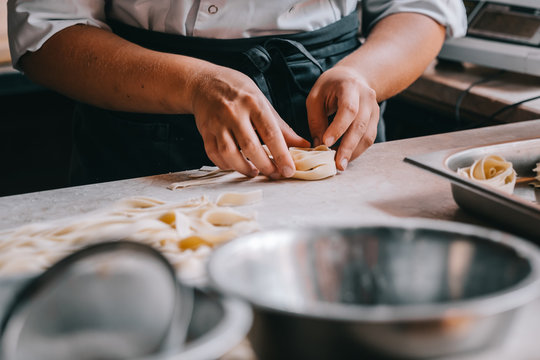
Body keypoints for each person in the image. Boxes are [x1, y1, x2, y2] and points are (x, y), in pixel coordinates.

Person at [8, 1, 466, 185]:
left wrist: (364, 76)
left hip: (329, 111)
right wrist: (192, 83)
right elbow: (47, 33)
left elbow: (421, 8)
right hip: (141, 117)